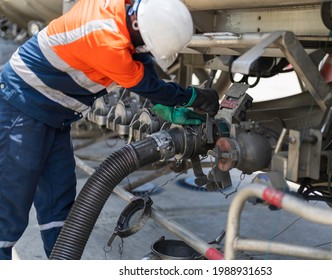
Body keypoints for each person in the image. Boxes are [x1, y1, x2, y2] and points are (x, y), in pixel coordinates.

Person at [0, 0, 219, 260]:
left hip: (55, 112)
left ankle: (61, 264)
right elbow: (150, 87)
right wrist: (193, 97)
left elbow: (141, 54)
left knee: (59, 196)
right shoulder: (106, 41)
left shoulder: (128, 12)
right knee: (12, 200)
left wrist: (172, 97)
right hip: (23, 104)